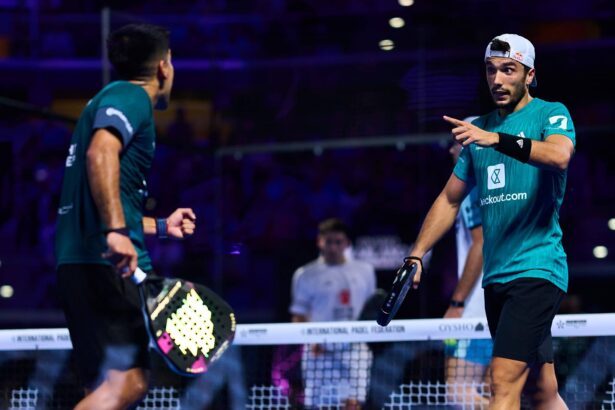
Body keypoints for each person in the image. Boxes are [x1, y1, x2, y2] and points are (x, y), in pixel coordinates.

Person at [406, 34, 575, 409]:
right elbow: (449, 199)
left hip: (537, 269)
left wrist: (497, 139)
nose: (497, 79)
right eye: (491, 70)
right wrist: (416, 254)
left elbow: (559, 155)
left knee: (501, 381)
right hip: (496, 280)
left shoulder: (550, 113)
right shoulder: (478, 134)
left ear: (529, 75)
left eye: (508, 70)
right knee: (541, 391)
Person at [55, 24, 196, 410]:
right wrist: (118, 232)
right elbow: (101, 152)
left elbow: (104, 199)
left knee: (102, 388)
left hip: (79, 262)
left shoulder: (105, 98)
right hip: (105, 266)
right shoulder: (131, 96)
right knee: (130, 382)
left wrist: (161, 226)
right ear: (164, 66)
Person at [290, 218, 376, 409]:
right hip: (319, 351)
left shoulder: (366, 270)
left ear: (347, 243)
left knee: (353, 405)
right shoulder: (305, 274)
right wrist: (311, 340)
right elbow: (299, 315)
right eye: (329, 241)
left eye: (338, 242)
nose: (333, 247)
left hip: (355, 350)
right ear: (319, 242)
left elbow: (370, 309)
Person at [444, 132, 492, 406]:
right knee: (493, 392)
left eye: (457, 144)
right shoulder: (496, 185)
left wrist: (457, 303)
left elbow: (480, 243)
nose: (452, 150)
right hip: (498, 305)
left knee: (457, 392)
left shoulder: (471, 188)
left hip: (475, 310)